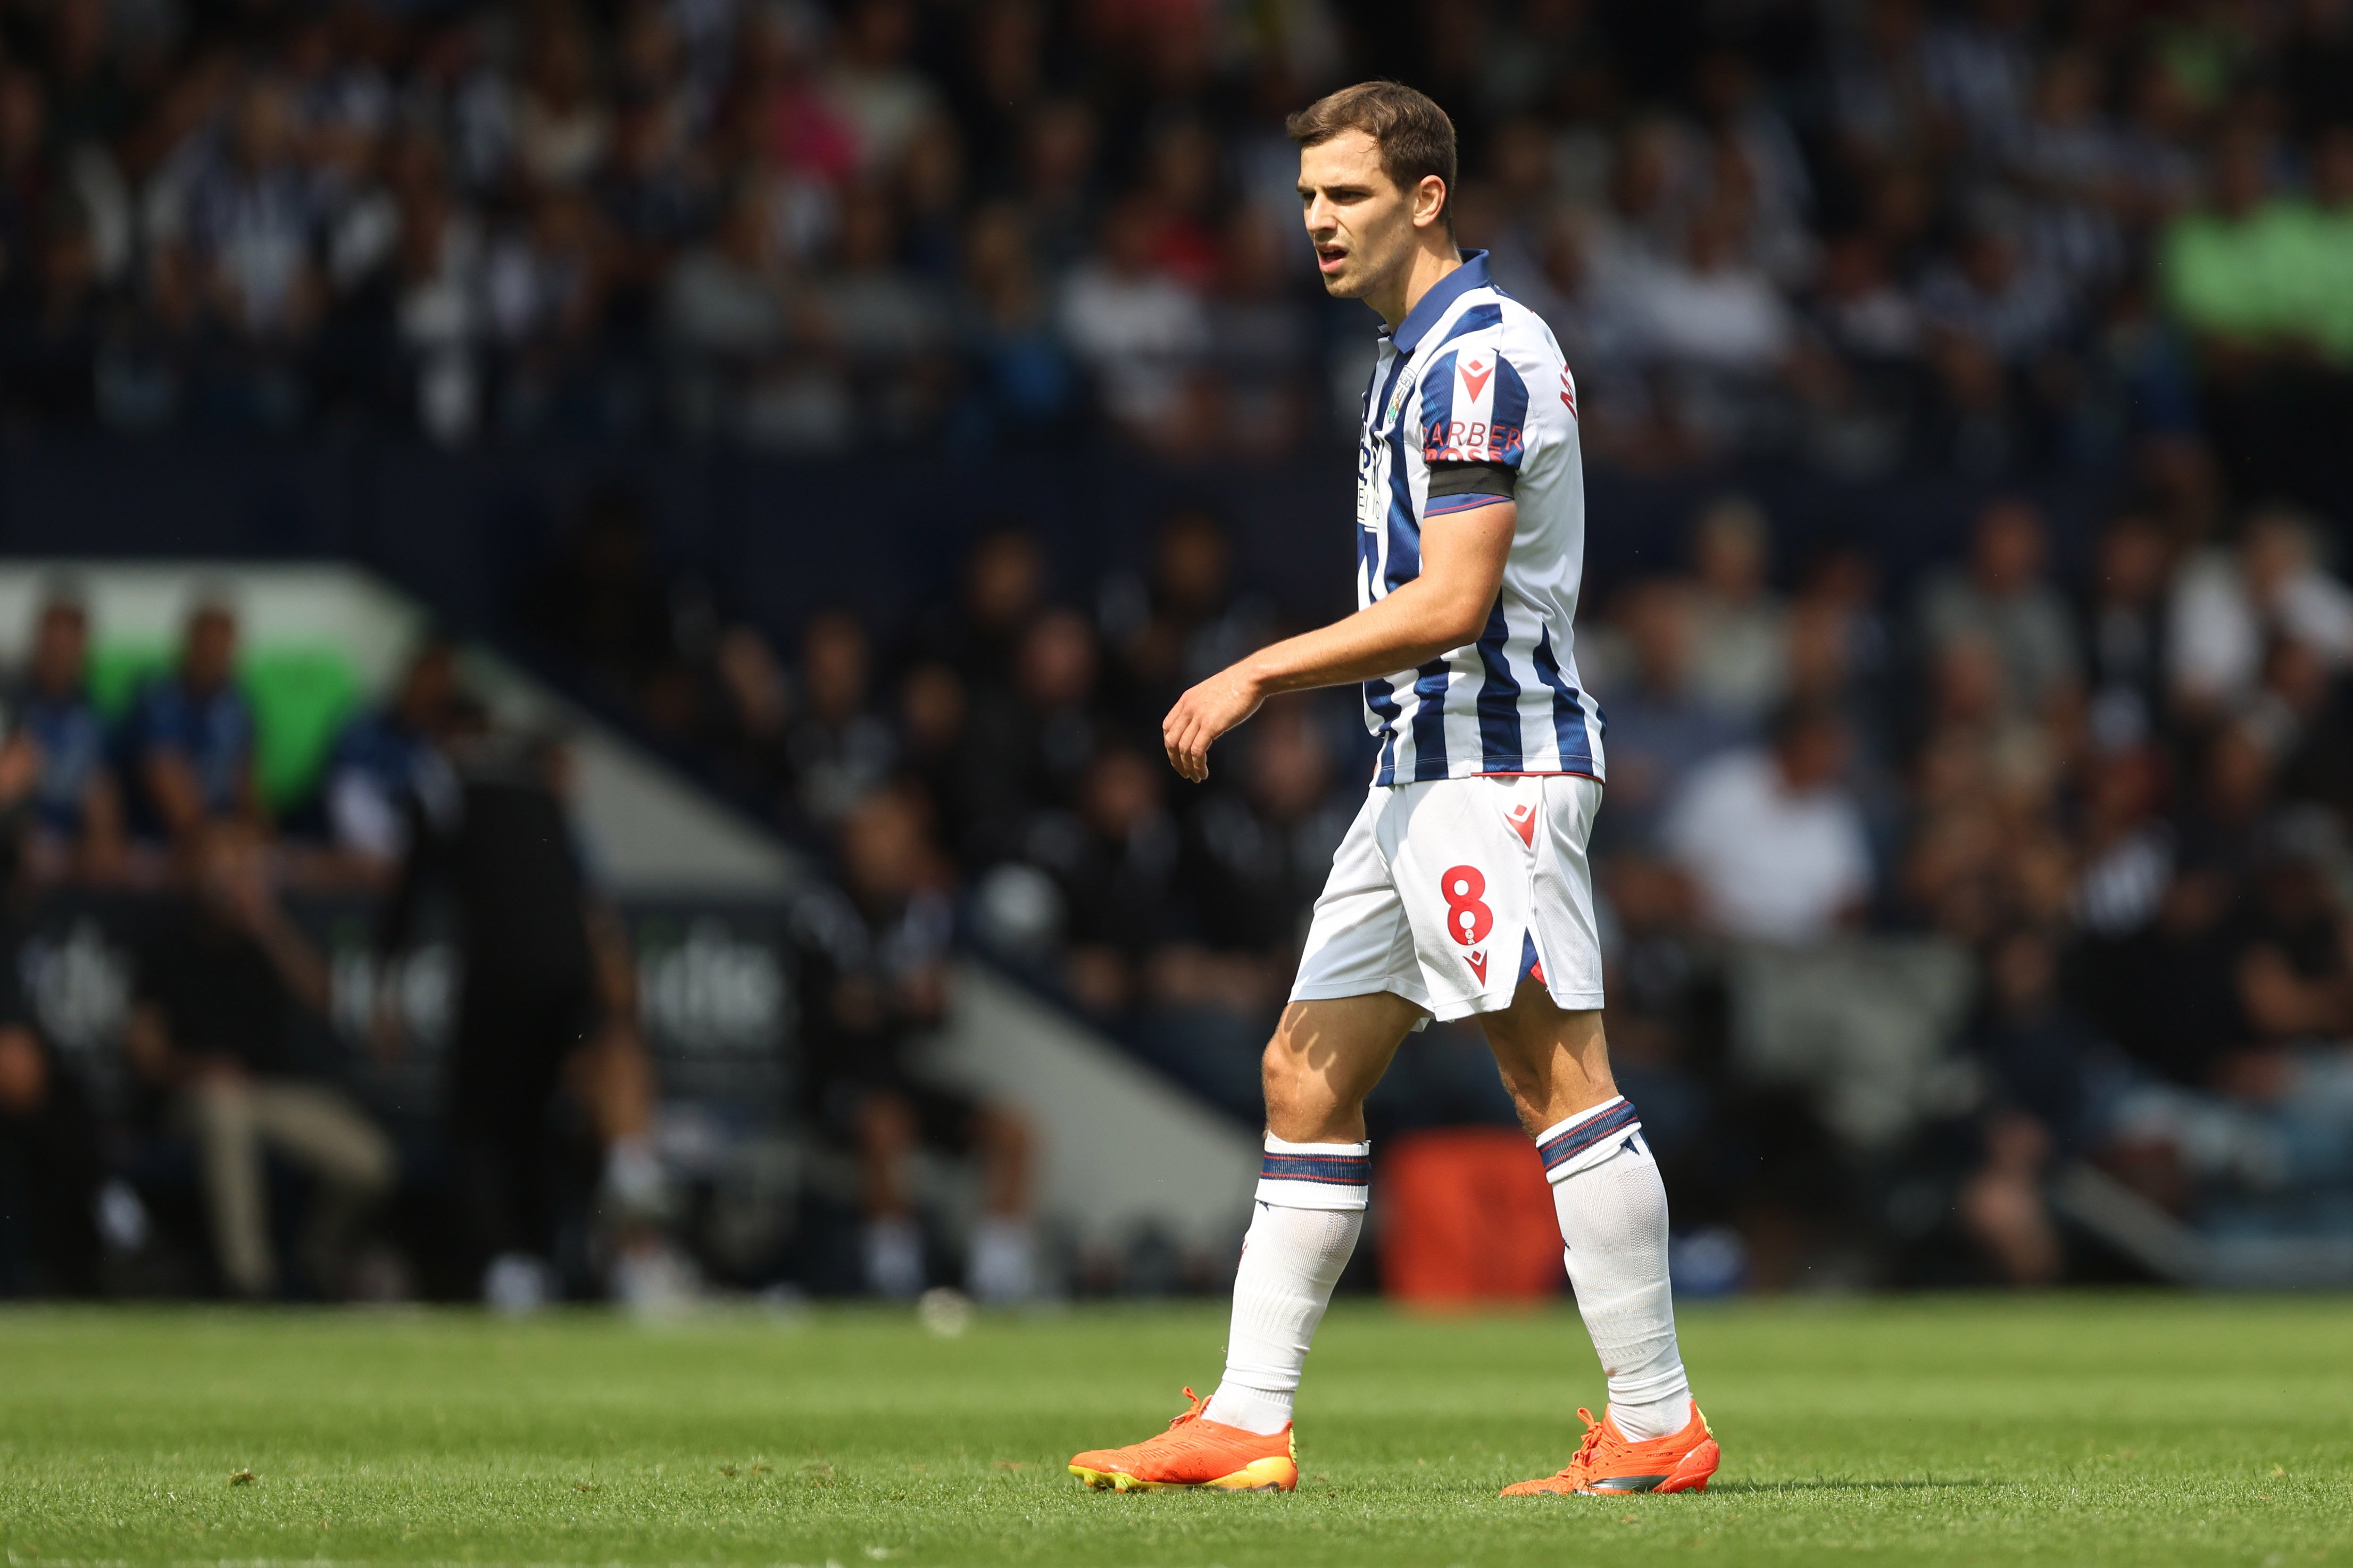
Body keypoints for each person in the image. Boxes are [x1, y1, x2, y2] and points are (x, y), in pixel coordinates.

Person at [1068, 82, 1714, 1500]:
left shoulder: (1477, 357)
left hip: (1494, 768)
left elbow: (1452, 601)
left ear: (1425, 198)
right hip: (1414, 771)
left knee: (1553, 1077)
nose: (1314, 221)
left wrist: (1251, 672)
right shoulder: (1408, 353)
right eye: (1304, 197)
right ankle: (1244, 1417)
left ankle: (1656, 1419)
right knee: (1301, 1070)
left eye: (1344, 195)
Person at [377, 725, 672, 1311]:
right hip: (570, 975)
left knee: (481, 1124)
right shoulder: (545, 811)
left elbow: (412, 885)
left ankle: (511, 1264)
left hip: (502, 975)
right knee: (584, 1074)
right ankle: (630, 1166)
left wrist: (388, 978)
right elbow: (595, 916)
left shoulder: (451, 792)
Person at [126, 821, 395, 1298]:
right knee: (226, 1111)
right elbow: (147, 1055)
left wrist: (266, 924)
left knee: (370, 1164)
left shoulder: (270, 936)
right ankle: (251, 1285)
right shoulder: (165, 943)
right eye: (220, 872)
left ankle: (318, 1260)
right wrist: (198, 1070)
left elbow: (325, 1002)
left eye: (241, 871)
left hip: (270, 1091)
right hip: (197, 1095)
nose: (231, 884)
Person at [122, 600, 263, 848]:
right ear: (188, 644)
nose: (214, 654)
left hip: (226, 837)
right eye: (207, 644)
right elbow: (173, 798)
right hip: (161, 841)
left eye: (223, 645)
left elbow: (247, 787)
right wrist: (216, 843)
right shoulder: (158, 701)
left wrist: (256, 837)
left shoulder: (239, 704)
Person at [6, 594, 125, 878]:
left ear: (83, 646)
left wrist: (102, 839)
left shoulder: (96, 715)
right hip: (17, 836)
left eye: (68, 645)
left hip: (74, 843)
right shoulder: (12, 706)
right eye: (52, 644)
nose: (59, 655)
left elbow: (102, 790)